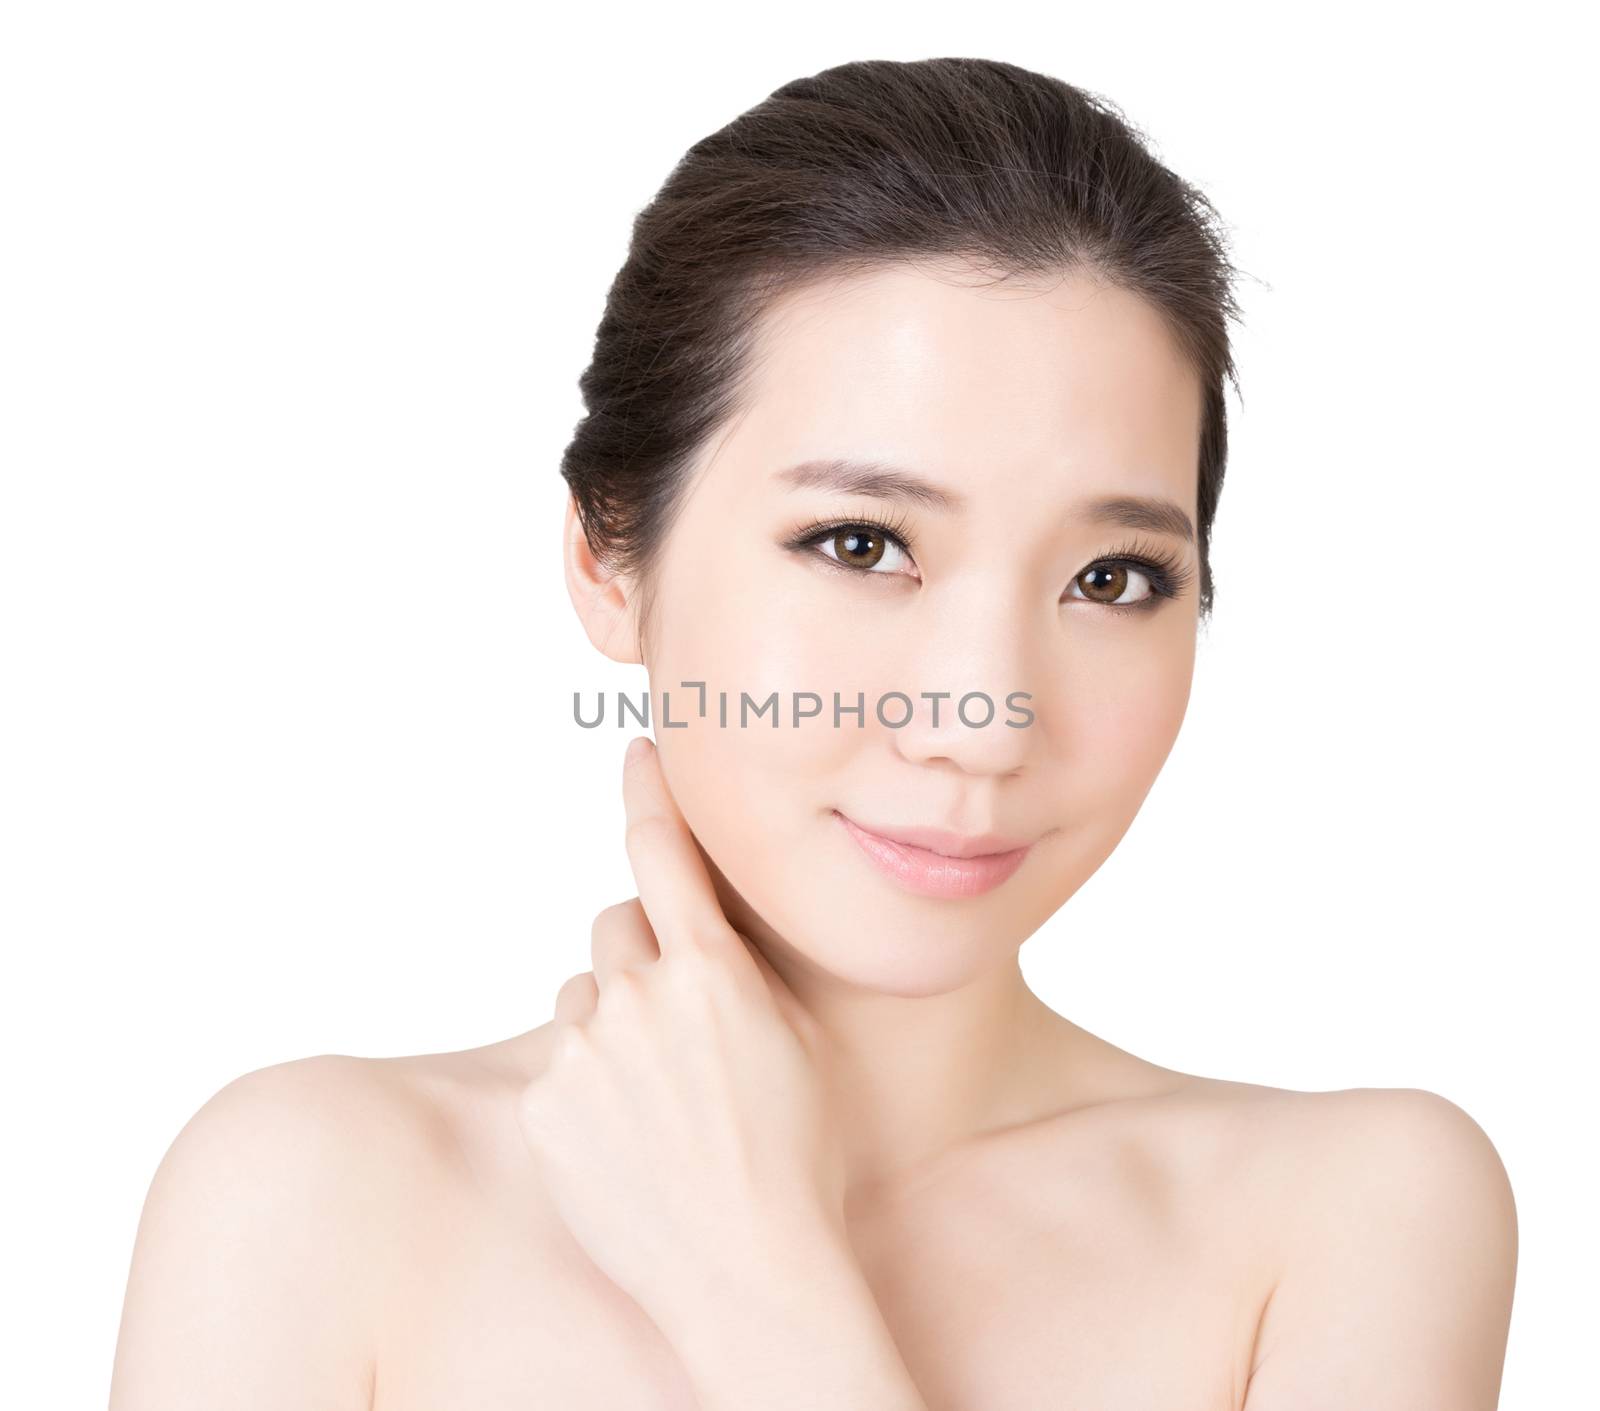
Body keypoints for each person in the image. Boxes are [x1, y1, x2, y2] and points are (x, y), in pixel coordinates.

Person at [109, 57, 1517, 1410]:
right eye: (862, 542)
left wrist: (764, 1298)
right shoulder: (311, 1206)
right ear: (611, 559)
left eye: (1111, 579)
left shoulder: (1348, 1220)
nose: (983, 724)